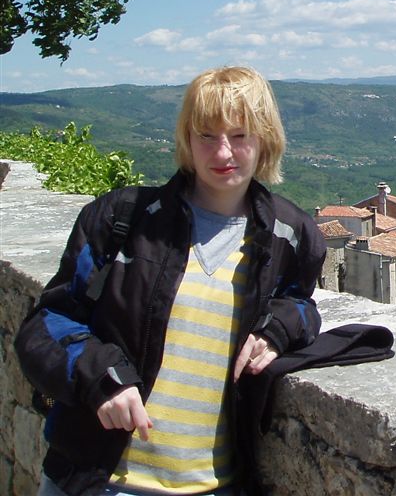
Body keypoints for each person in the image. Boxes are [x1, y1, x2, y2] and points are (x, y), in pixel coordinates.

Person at [16, 67, 326, 496]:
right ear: (187, 140)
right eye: (206, 135)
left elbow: (303, 305)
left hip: (213, 485)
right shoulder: (120, 219)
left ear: (265, 139)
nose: (223, 152)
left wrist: (277, 329)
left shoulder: (290, 234)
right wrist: (101, 378)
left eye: (239, 135)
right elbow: (46, 323)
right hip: (98, 480)